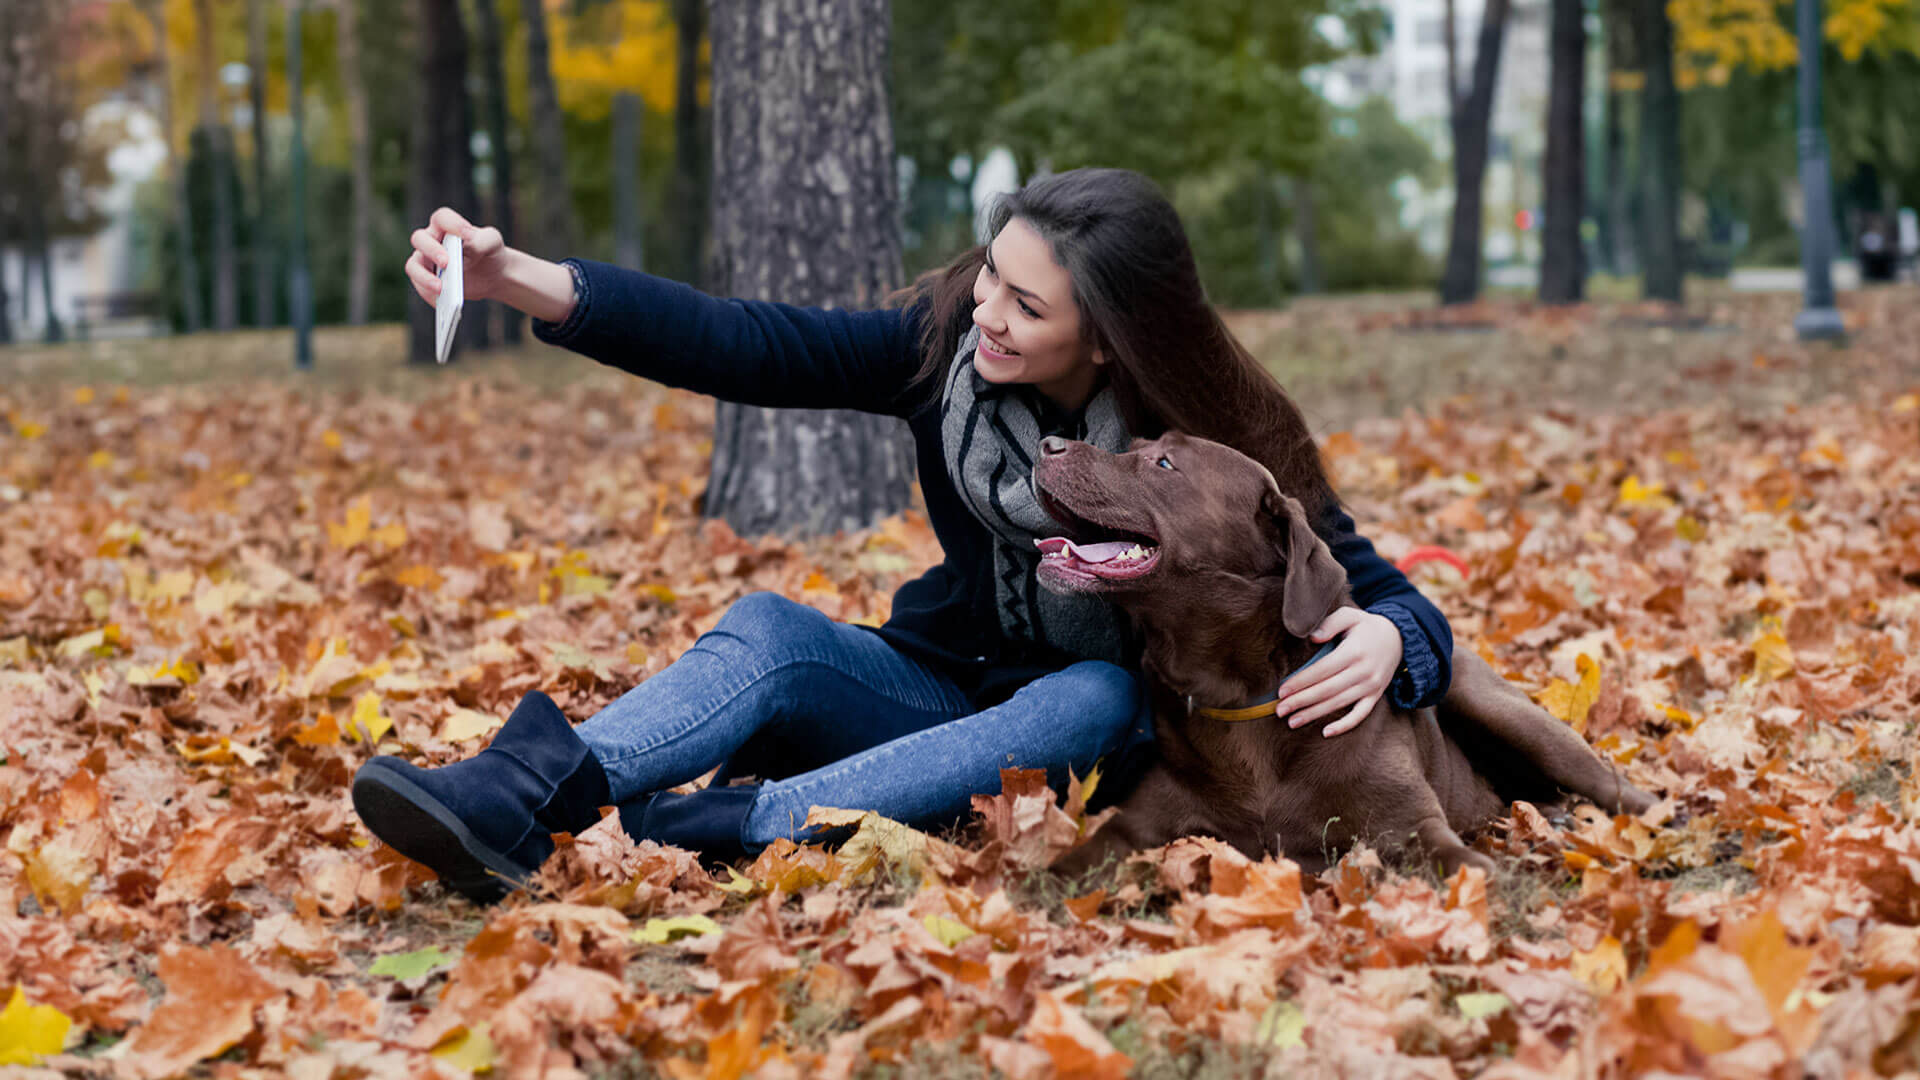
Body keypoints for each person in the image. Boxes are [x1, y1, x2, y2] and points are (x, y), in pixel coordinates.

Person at [350, 168, 1455, 904]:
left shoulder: (1215, 434)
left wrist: (1396, 640)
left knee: (1093, 693)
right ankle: (533, 789)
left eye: (1025, 306)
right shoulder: (941, 348)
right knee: (772, 626)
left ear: (1109, 342)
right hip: (931, 680)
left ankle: (729, 827)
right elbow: (746, 344)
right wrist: (520, 281)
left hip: (1085, 727)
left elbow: (1367, 580)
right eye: (991, 278)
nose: (988, 315)